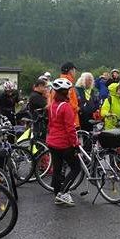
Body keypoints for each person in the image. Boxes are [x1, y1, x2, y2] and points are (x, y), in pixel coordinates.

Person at [47, 78, 81, 207]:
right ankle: (63, 192)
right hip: (64, 143)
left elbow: (50, 124)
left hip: (52, 142)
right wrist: (75, 144)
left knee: (57, 169)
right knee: (76, 168)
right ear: (66, 92)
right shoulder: (66, 107)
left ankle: (57, 195)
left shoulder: (52, 106)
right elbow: (70, 129)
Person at [49, 62, 80, 126]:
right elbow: (68, 100)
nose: (75, 73)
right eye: (74, 70)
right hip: (69, 119)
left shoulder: (58, 83)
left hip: (57, 117)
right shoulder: (66, 84)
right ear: (70, 71)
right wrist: (76, 108)